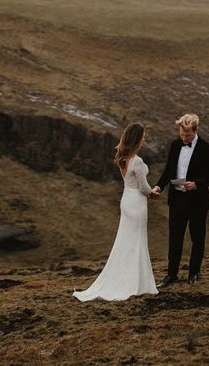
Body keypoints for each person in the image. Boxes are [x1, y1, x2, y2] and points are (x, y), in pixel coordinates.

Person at [73, 122, 158, 301]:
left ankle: (131, 279)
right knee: (137, 241)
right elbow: (144, 188)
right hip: (137, 202)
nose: (144, 138)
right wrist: (154, 192)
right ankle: (137, 283)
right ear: (137, 138)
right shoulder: (137, 161)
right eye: (142, 136)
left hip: (127, 200)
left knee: (126, 240)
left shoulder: (123, 158)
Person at [151, 113, 209, 286]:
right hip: (177, 199)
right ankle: (171, 275)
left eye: (187, 135)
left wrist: (196, 184)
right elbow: (168, 170)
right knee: (175, 239)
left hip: (197, 201)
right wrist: (159, 187)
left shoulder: (207, 148)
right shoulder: (174, 145)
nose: (184, 137)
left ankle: (194, 273)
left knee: (197, 239)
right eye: (182, 134)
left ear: (195, 131)